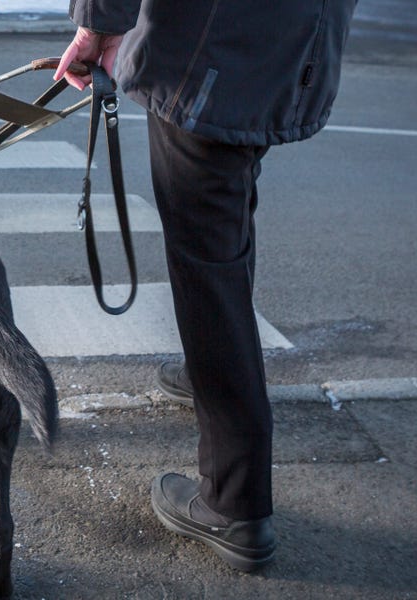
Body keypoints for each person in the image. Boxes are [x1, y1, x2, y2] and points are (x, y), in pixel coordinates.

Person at [55, 0, 356, 572]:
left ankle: (232, 501)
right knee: (227, 217)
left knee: (207, 259)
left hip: (209, 48)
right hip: (296, 45)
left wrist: (97, 24)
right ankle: (208, 370)